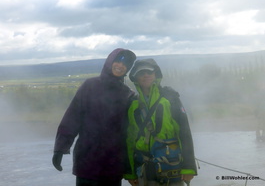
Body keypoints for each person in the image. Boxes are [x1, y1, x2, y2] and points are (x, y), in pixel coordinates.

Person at [52, 48, 136, 186]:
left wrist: (130, 165)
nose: (121, 66)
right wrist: (60, 148)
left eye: (126, 63)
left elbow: (130, 133)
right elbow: (72, 118)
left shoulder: (127, 94)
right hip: (87, 162)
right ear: (110, 61)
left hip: (113, 165)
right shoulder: (90, 86)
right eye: (118, 61)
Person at [124, 59, 197, 186]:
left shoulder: (170, 98)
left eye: (149, 72)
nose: (146, 75)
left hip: (172, 170)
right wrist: (130, 173)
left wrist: (189, 167)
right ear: (135, 78)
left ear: (156, 74)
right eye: (141, 73)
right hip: (143, 172)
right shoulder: (132, 104)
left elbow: (184, 133)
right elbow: (129, 140)